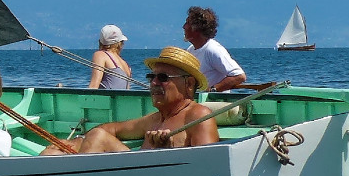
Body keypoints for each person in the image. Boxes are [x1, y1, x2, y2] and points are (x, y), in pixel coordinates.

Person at [41, 47, 219, 154]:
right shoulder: (155, 119)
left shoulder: (198, 116)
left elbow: (208, 168)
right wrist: (77, 141)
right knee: (53, 153)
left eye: (163, 77)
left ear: (189, 84)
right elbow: (111, 129)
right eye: (151, 77)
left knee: (96, 137)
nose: (154, 83)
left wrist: (166, 151)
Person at [183, 6, 246, 91]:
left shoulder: (212, 50)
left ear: (196, 28)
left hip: (215, 99)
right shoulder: (190, 50)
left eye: (187, 23)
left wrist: (213, 90)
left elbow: (239, 76)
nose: (184, 27)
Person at [88, 24, 132, 89]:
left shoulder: (100, 55)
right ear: (120, 43)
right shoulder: (125, 64)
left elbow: (94, 86)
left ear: (100, 41)